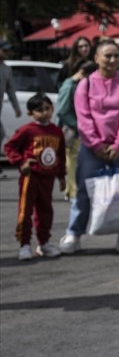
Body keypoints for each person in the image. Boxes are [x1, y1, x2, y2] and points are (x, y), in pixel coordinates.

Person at [60, 38, 119, 254]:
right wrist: (96, 145)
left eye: (116, 56)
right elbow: (83, 118)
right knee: (83, 190)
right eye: (108, 56)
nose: (112, 60)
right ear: (96, 58)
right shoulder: (85, 85)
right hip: (91, 146)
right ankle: (74, 233)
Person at [4, 93, 66, 260]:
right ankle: (24, 244)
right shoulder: (27, 130)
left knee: (45, 211)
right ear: (31, 113)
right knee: (25, 211)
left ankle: (44, 242)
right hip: (30, 177)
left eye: (48, 108)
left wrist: (62, 176)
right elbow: (9, 147)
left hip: (48, 178)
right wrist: (21, 162)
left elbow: (60, 155)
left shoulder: (56, 131)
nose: (45, 113)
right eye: (40, 110)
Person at [56, 60, 96, 216]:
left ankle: (71, 189)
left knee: (72, 160)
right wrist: (79, 125)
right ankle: (72, 190)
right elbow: (62, 111)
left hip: (75, 128)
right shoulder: (69, 86)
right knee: (72, 161)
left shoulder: (75, 85)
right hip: (71, 130)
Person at [0, 40, 20, 178]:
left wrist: (16, 107)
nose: (7, 53)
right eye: (4, 50)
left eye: (8, 51)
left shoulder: (6, 69)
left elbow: (11, 89)